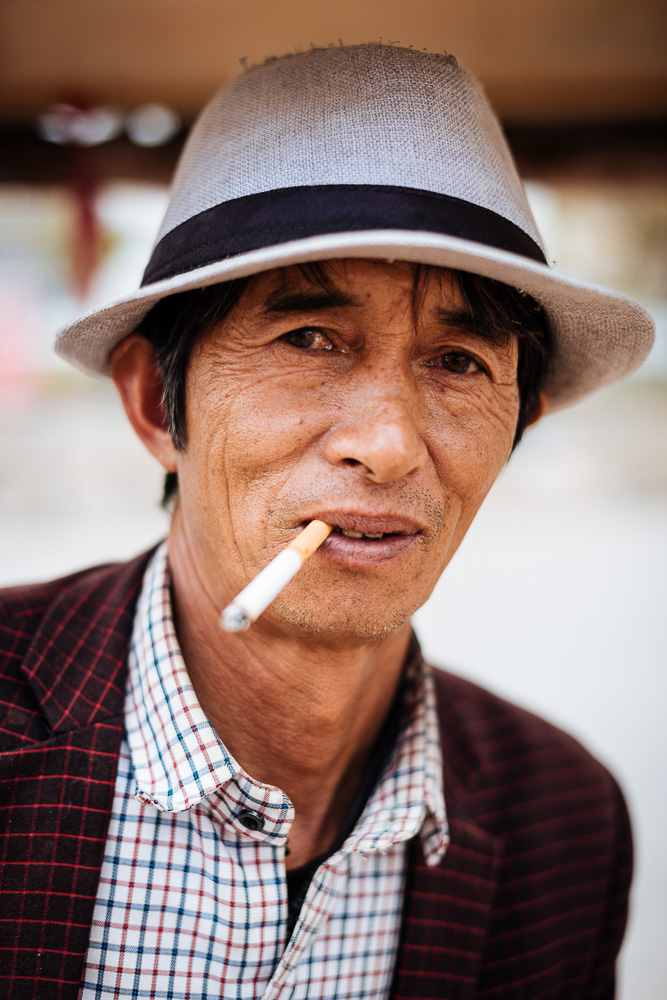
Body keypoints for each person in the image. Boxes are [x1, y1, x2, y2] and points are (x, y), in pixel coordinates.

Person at [0, 43, 654, 1000]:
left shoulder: (562, 820)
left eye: (459, 361)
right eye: (308, 339)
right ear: (153, 404)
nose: (387, 446)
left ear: (521, 427)